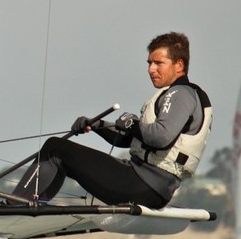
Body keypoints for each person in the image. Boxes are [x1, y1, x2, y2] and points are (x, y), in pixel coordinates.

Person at [12, 32, 212, 209]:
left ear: (179, 65)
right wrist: (97, 125)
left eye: (158, 63)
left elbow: (160, 138)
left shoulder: (180, 94)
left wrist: (132, 123)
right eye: (149, 63)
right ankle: (29, 208)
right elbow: (130, 139)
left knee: (55, 148)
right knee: (60, 155)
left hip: (142, 184)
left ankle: (16, 208)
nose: (151, 69)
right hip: (151, 187)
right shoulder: (179, 95)